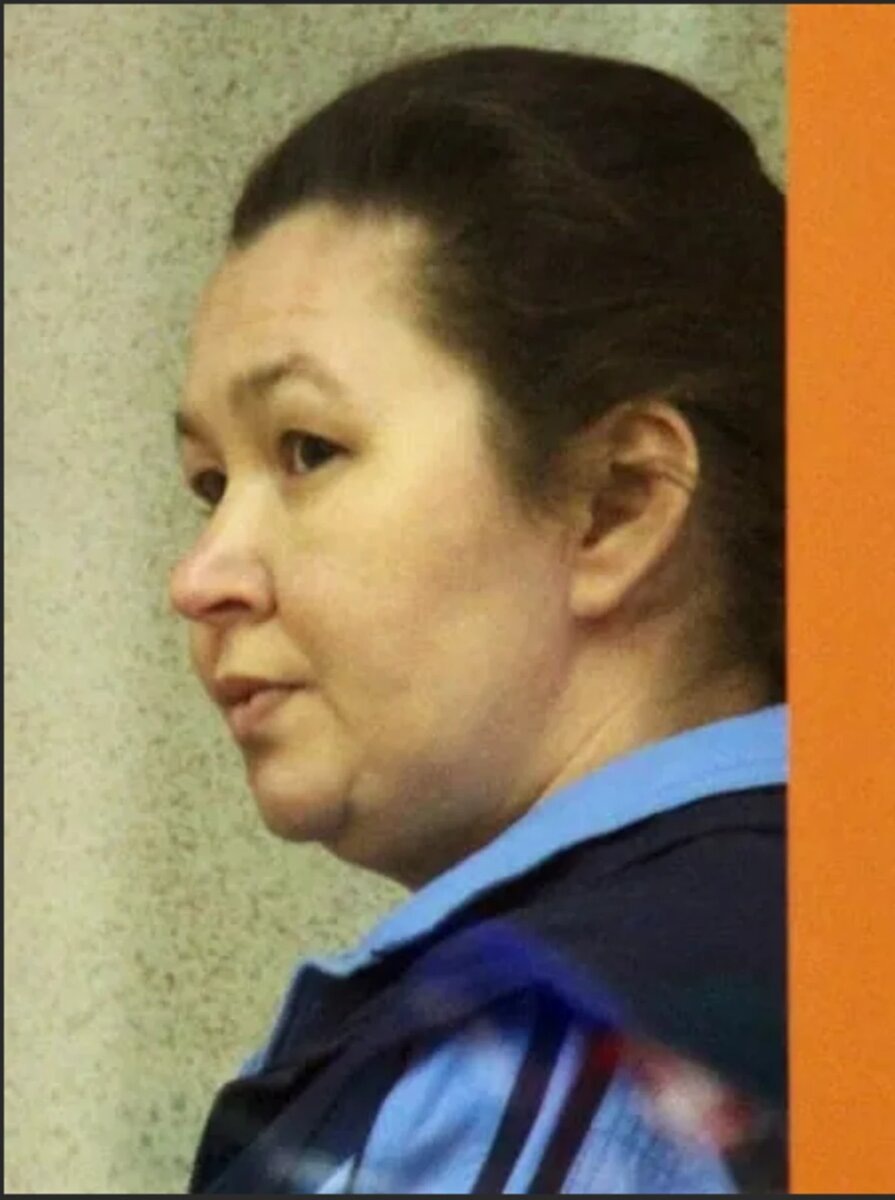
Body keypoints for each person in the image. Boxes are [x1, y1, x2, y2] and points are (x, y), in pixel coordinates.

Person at [170, 45, 786, 1194]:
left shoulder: (554, 1058)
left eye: (307, 450)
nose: (202, 577)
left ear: (618, 503)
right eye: (210, 484)